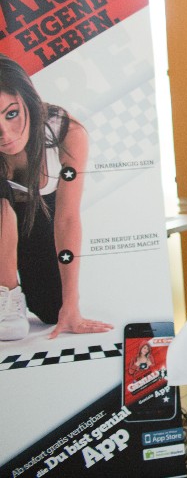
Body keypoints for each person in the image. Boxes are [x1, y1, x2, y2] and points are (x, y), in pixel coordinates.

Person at [0, 53, 112, 341]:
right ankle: (7, 300)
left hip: (40, 212)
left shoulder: (65, 132)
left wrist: (71, 304)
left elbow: (67, 218)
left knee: (52, 309)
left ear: (27, 100)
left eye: (11, 114)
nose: (5, 134)